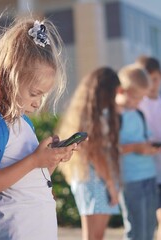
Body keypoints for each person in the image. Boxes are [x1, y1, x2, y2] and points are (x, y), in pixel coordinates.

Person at [0, 18, 77, 239]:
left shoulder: (24, 124)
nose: (38, 103)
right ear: (9, 78)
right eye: (34, 93)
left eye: (43, 95)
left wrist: (49, 161)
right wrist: (35, 160)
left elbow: (27, 182)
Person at [57, 67, 121, 240]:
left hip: (86, 178)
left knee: (91, 236)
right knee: (95, 237)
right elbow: (96, 154)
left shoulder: (83, 113)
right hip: (97, 180)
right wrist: (111, 186)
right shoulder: (94, 118)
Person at [116, 64, 160, 240]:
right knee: (136, 231)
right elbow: (110, 149)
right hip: (130, 180)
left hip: (149, 177)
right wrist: (134, 148)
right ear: (121, 90)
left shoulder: (139, 113)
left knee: (149, 229)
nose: (139, 102)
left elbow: (145, 138)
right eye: (136, 97)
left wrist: (150, 147)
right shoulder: (114, 116)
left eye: (142, 98)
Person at [135, 56, 161, 240]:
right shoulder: (138, 104)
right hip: (145, 167)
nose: (151, 84)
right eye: (147, 79)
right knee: (147, 217)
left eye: (155, 79)